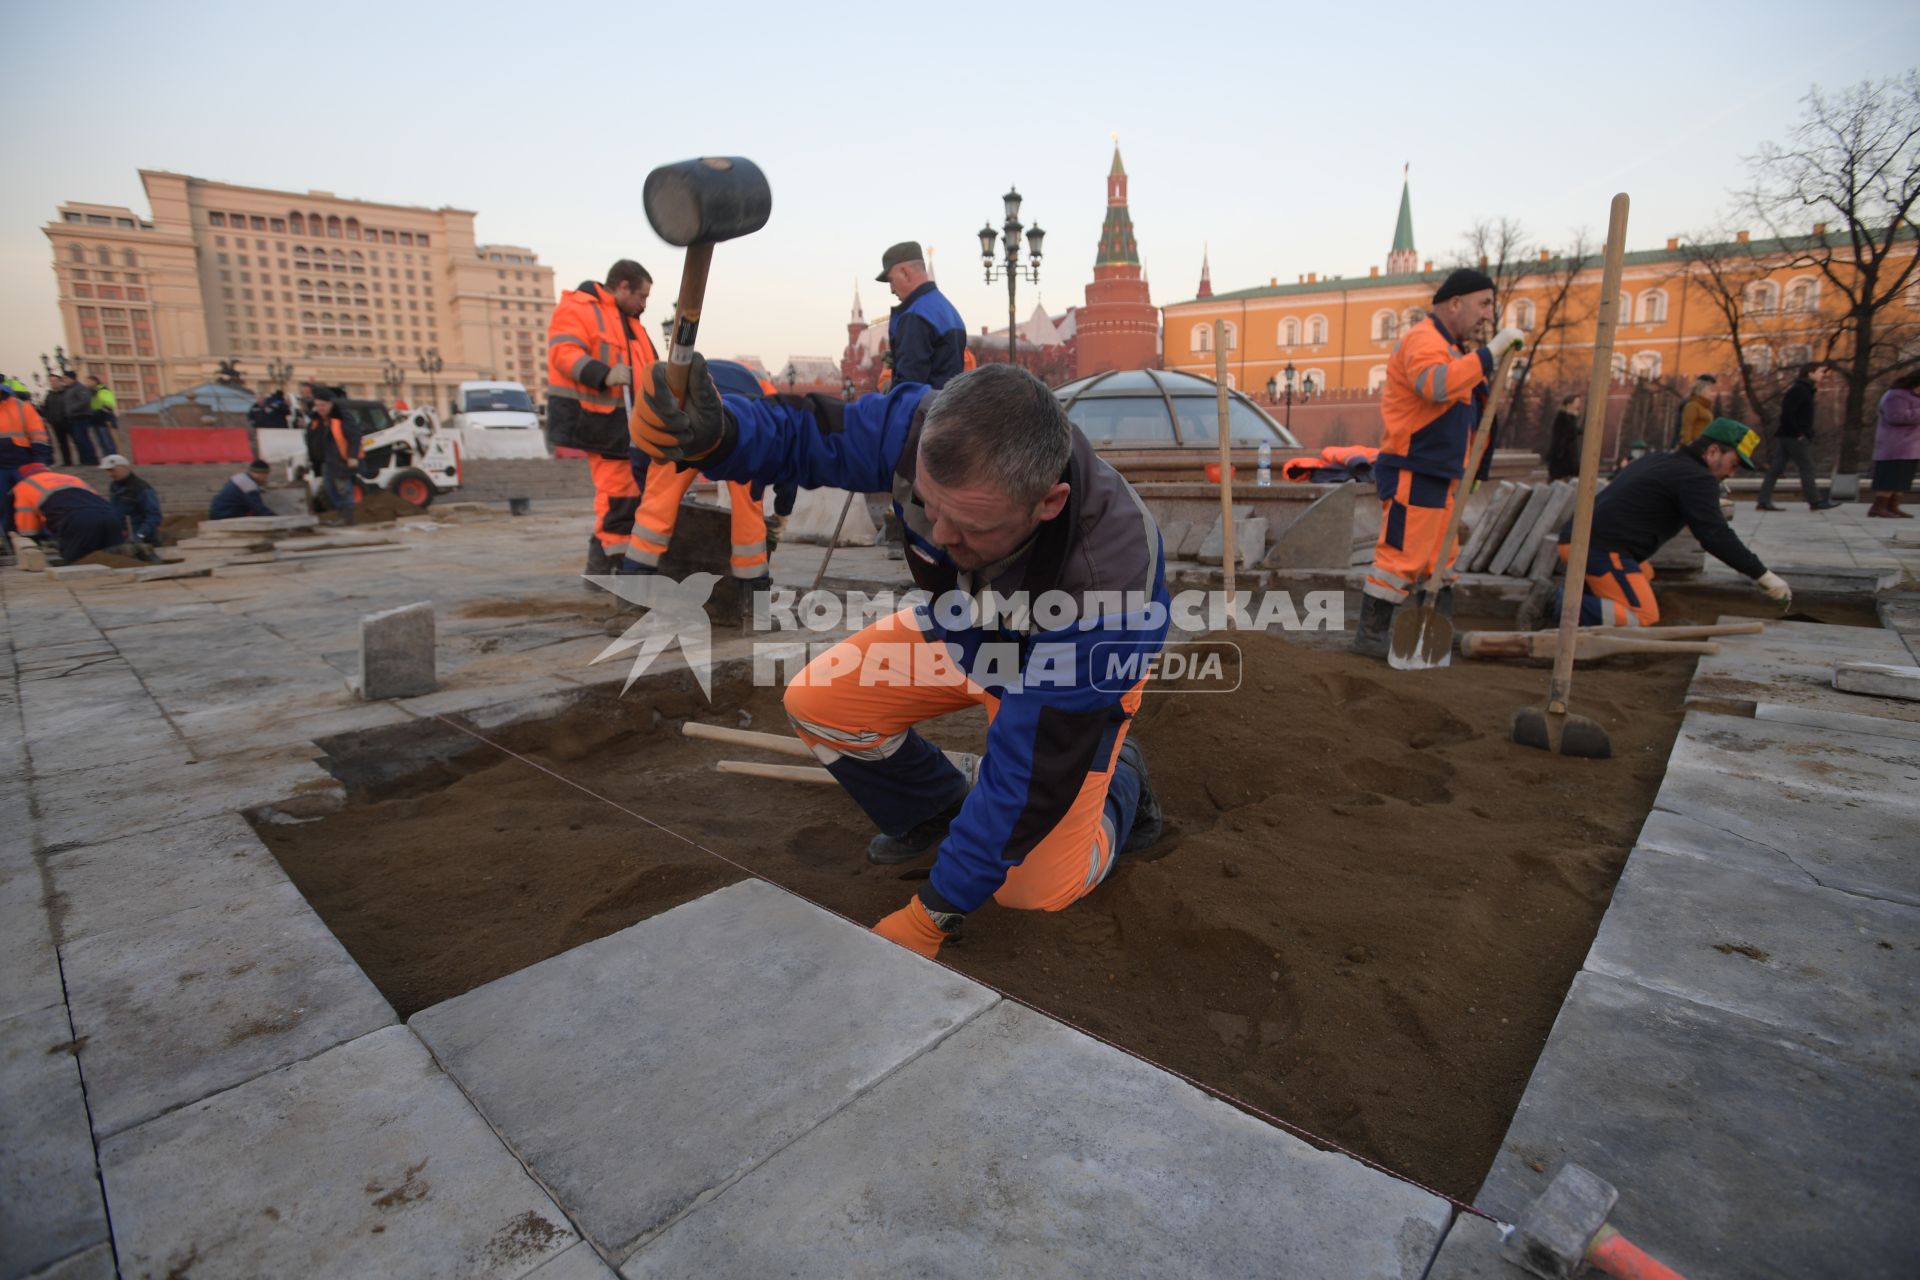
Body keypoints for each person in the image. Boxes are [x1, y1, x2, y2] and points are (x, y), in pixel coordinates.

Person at [632, 356, 1168, 959]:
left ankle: (1122, 785)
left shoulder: (1109, 591)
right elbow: (807, 437)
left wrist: (935, 911)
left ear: (1049, 502)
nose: (939, 537)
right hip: (969, 630)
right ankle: (936, 804)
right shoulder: (923, 429)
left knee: (1033, 893)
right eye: (930, 509)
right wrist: (722, 436)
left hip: (1067, 681)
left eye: (967, 526)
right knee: (820, 703)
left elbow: (1031, 774)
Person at [1354, 267, 1525, 657]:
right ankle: (1371, 636)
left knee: (1439, 558)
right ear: (1455, 303)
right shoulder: (1424, 340)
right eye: (1483, 304)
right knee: (1401, 557)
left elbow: (1470, 418)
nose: (1487, 314)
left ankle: (1436, 628)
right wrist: (1490, 353)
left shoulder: (1453, 349)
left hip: (1441, 472)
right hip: (1414, 468)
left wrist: (1474, 470)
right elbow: (1435, 386)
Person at [1520, 418, 1792, 628]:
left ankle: (1586, 595)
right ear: (1712, 451)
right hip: (1600, 549)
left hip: (1587, 542)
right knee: (1644, 616)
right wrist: (1761, 574)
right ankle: (1557, 604)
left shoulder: (1663, 461)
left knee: (1645, 574)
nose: (1732, 473)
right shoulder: (1696, 478)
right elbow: (1714, 535)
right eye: (1733, 464)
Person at [546, 260, 658, 581]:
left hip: (632, 427)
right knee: (619, 495)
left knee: (630, 495)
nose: (644, 304)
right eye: (641, 296)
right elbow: (563, 353)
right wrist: (604, 374)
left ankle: (600, 570)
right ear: (623, 286)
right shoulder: (581, 308)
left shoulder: (630, 324)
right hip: (600, 423)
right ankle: (616, 572)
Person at [623, 357, 771, 592]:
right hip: (742, 432)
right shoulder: (765, 390)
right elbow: (777, 447)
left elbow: (643, 459)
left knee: (655, 508)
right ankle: (753, 602)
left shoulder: (653, 410)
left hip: (685, 423)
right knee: (749, 510)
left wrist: (650, 491)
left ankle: (632, 597)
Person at [10, 463, 144, 563]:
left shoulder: (25, 485)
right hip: (109, 515)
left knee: (78, 563)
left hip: (77, 519)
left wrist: (31, 539)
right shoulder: (70, 478)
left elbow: (26, 519)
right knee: (118, 561)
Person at [1757, 366, 1837, 511]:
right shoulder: (1800, 389)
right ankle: (1815, 501)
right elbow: (1787, 413)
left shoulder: (1805, 389)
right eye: (1820, 372)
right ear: (1810, 373)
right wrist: (1799, 433)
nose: (1823, 375)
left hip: (1787, 435)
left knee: (1776, 469)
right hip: (1793, 436)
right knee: (1807, 467)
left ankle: (1763, 500)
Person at [1, 381, 53, 555]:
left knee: (34, 500)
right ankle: (13, 541)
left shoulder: (23, 407)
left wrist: (40, 460)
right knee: (4, 506)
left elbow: (38, 434)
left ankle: (44, 537)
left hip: (23, 464)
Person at [1868, 371, 1920, 518]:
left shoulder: (1914, 397)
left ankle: (1893, 506)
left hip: (1911, 446)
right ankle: (1878, 507)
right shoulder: (1896, 395)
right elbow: (1896, 417)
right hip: (1895, 445)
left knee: (1902, 479)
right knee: (1890, 477)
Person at [310, 386, 361, 525]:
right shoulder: (318, 419)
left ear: (331, 404)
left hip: (341, 460)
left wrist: (353, 456)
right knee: (330, 489)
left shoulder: (342, 416)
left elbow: (355, 436)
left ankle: (347, 517)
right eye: (317, 405)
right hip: (326, 461)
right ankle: (341, 515)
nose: (320, 408)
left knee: (343, 489)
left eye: (323, 405)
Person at [102, 454, 162, 545]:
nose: (110, 474)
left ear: (124, 467)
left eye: (112, 470)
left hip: (145, 541)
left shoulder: (141, 488)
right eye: (107, 471)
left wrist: (140, 535)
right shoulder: (114, 486)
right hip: (124, 537)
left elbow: (154, 516)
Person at [41, 373, 84, 467]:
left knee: (77, 440)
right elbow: (45, 408)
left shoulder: (67, 392)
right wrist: (49, 418)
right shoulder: (49, 395)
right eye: (51, 381)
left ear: (60, 381)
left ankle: (83, 460)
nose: (53, 383)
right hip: (56, 423)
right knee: (62, 443)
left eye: (55, 381)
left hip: (69, 421)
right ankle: (67, 462)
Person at [210, 459, 275, 520]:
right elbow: (258, 507)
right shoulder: (249, 485)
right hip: (225, 514)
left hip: (218, 511)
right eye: (265, 476)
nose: (266, 478)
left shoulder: (240, 477)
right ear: (260, 474)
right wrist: (274, 517)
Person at [1546, 394, 1583, 481]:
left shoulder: (1573, 417)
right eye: (1577, 402)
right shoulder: (1562, 417)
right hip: (1563, 453)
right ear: (1569, 403)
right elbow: (1561, 434)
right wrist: (1559, 452)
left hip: (1569, 453)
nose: (1579, 404)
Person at [85, 375, 119, 459]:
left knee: (107, 440)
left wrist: (102, 414)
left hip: (104, 419)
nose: (87, 384)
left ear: (95, 381)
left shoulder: (103, 390)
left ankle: (113, 458)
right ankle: (107, 458)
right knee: (101, 441)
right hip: (96, 420)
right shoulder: (91, 392)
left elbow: (109, 405)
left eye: (89, 381)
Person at [1676, 375, 1716, 446]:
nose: (1712, 393)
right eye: (1710, 390)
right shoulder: (1692, 406)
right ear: (1702, 391)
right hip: (1694, 449)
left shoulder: (1705, 408)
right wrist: (1688, 446)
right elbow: (1687, 428)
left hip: (1703, 447)